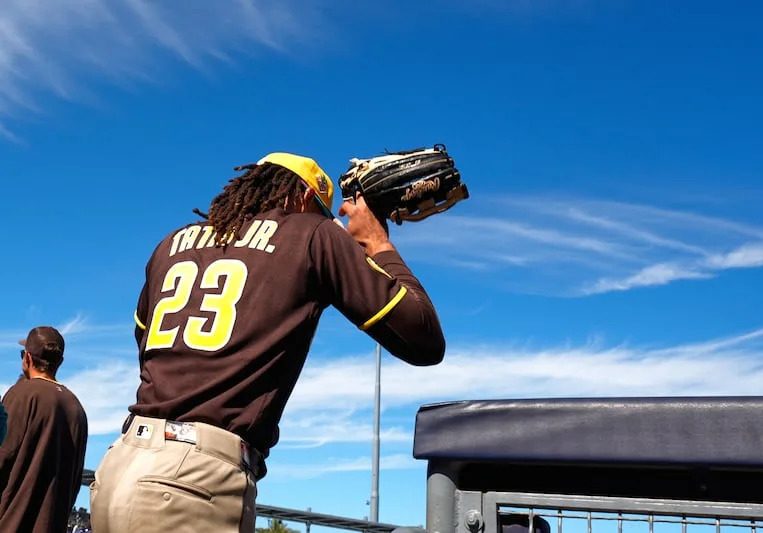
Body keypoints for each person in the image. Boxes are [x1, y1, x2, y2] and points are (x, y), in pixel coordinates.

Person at [89, 151, 445, 533]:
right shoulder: (313, 234)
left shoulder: (171, 243)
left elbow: (144, 339)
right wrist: (377, 242)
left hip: (119, 466)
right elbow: (422, 338)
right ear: (306, 198)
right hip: (192, 482)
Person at [0, 326, 89, 533]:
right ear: (60, 363)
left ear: (27, 358)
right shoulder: (76, 407)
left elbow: (3, 455)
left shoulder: (21, 395)